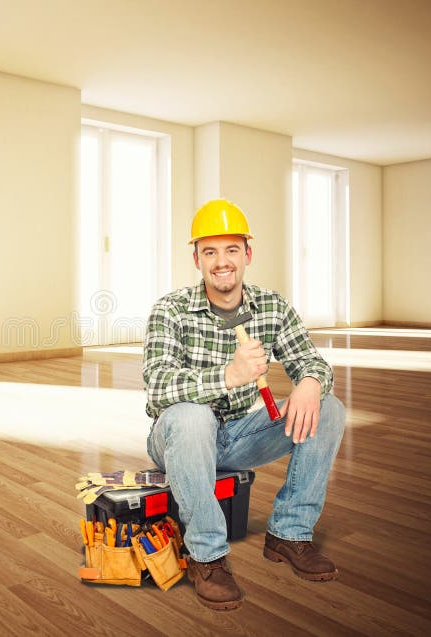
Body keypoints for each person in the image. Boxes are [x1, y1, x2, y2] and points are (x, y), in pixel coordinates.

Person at [143, 198, 345, 611]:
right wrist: (227, 376)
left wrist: (309, 381)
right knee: (191, 414)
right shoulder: (171, 310)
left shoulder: (271, 306)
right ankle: (207, 557)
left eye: (231, 249)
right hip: (176, 437)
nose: (222, 261)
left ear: (247, 254)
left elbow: (312, 360)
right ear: (196, 257)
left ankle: (289, 533)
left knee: (331, 408)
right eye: (210, 251)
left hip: (237, 436)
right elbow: (157, 387)